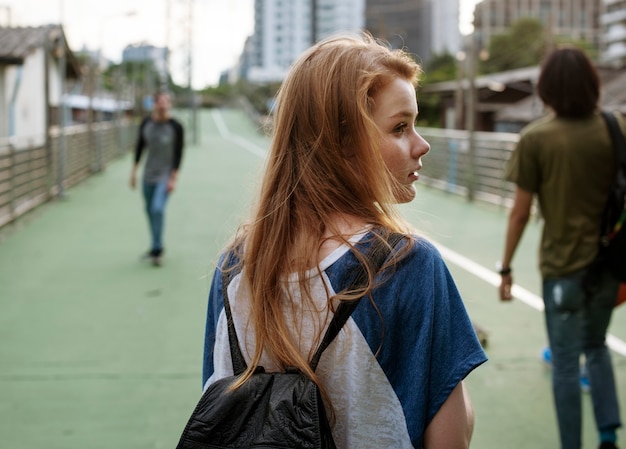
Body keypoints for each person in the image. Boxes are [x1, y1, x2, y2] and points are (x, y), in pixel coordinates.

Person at [202, 33, 487, 448]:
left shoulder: (235, 266)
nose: (421, 145)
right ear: (343, 143)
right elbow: (450, 439)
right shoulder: (406, 266)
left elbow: (218, 413)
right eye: (400, 127)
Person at [498, 47, 623, 449]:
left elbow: (519, 213)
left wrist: (506, 268)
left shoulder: (536, 138)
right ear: (592, 84)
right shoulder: (615, 126)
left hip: (562, 269)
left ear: (545, 87)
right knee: (597, 345)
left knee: (566, 363)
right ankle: (607, 435)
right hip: (609, 264)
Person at [130, 91, 184, 266]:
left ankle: (158, 248)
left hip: (165, 175)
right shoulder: (146, 123)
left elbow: (178, 154)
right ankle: (154, 245)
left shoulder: (176, 126)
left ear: (169, 104)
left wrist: (173, 178)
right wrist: (134, 172)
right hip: (148, 175)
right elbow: (139, 147)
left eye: (165, 102)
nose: (162, 105)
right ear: (154, 104)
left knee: (157, 208)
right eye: (159, 102)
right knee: (149, 211)